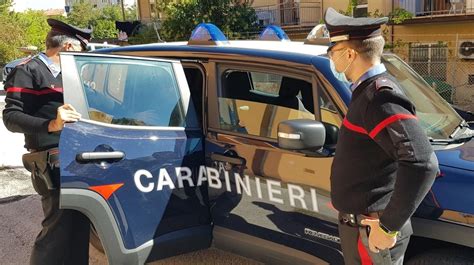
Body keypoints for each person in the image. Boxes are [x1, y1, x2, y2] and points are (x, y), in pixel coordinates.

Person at [325, 8, 439, 265]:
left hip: (372, 231)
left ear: (350, 53)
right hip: (362, 228)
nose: (331, 57)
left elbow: (422, 162)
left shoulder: (379, 97)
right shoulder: (367, 92)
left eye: (332, 51)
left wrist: (387, 228)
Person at [2, 19, 92, 265]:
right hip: (51, 161)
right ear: (70, 49)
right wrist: (51, 124)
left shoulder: (69, 75)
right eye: (82, 51)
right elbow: (10, 117)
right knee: (57, 231)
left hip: (78, 159)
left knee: (80, 226)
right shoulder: (28, 70)